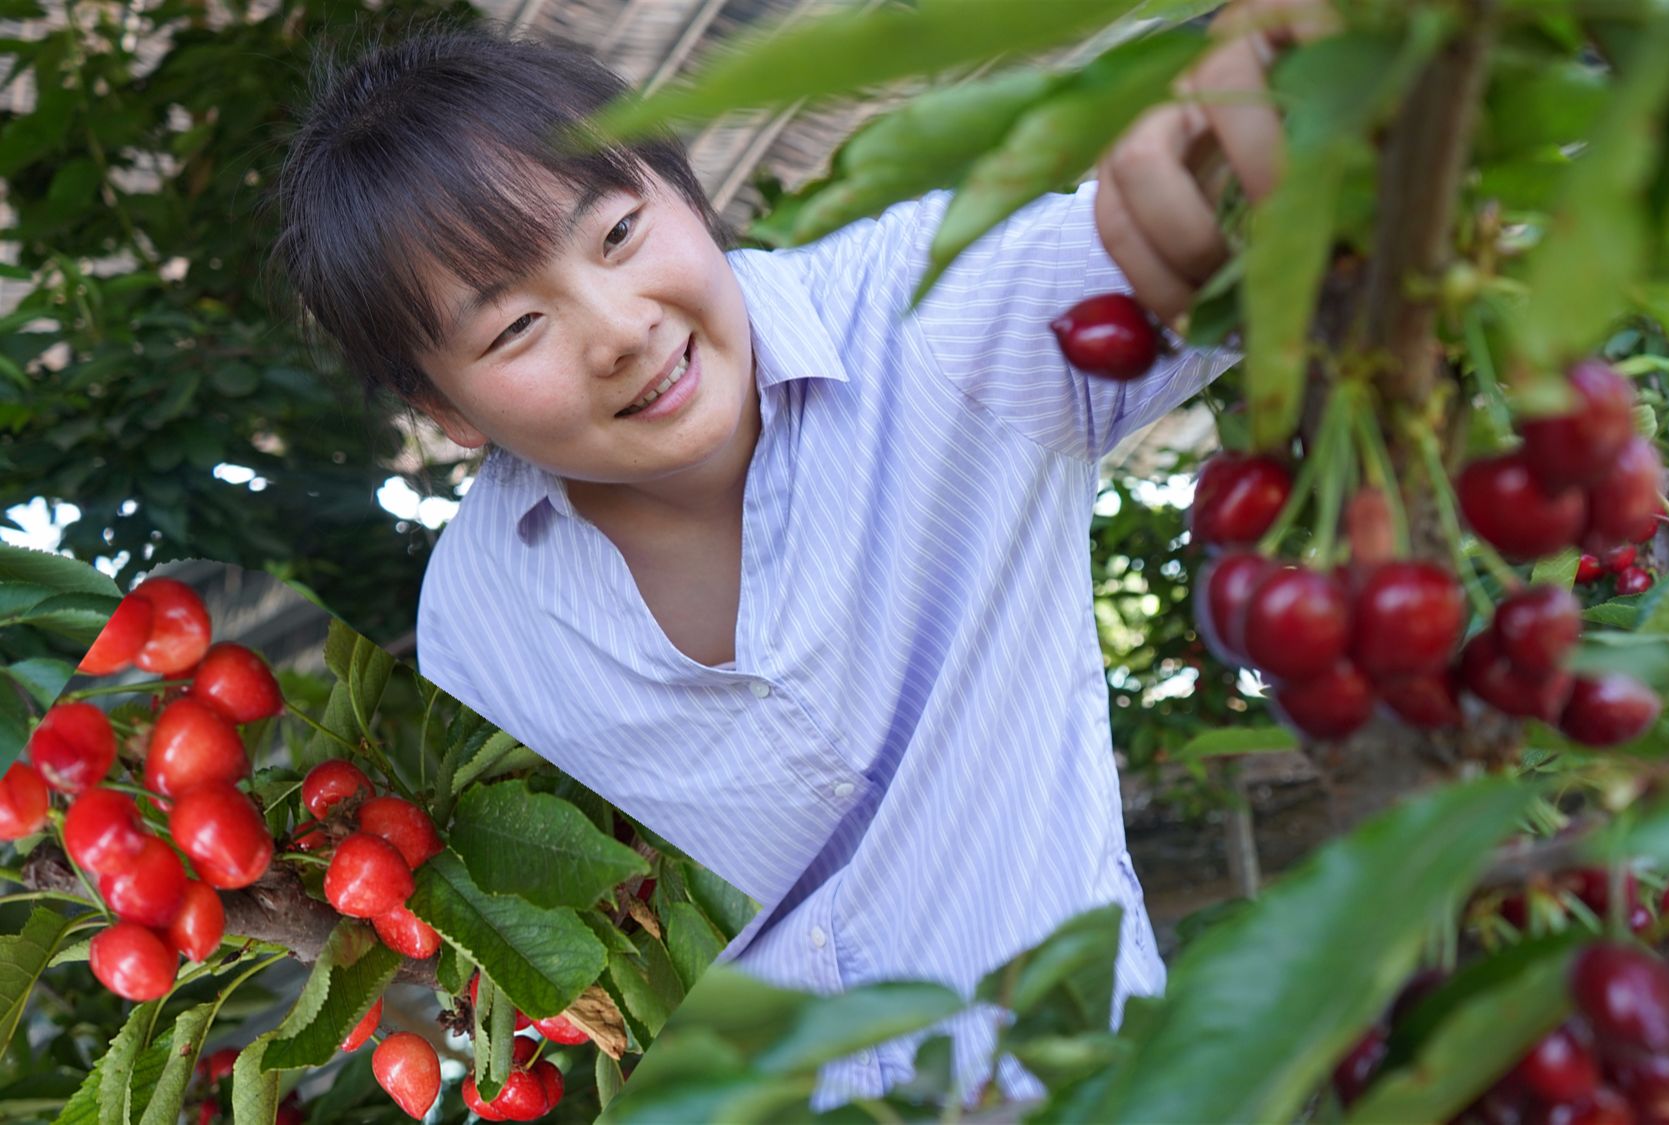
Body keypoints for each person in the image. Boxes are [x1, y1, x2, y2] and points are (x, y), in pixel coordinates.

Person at [268, 0, 1319, 1110]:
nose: (618, 328)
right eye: (514, 327)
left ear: (686, 190)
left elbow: (1209, 212)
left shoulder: (937, 316)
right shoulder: (482, 628)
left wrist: (1265, 121)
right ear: (447, 410)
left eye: (618, 233)